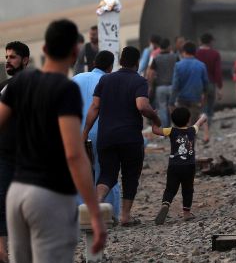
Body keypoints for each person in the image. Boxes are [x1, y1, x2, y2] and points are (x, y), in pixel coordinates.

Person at [0, 20, 106, 263]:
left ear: (44, 49)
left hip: (16, 193)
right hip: (50, 196)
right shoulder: (64, 89)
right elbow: (73, 153)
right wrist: (94, 213)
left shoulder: (18, 83)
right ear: (76, 52)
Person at [82, 46, 161, 226]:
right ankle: (125, 216)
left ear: (120, 61)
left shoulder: (105, 80)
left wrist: (85, 132)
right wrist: (155, 117)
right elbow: (142, 106)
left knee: (107, 175)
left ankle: (95, 208)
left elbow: (94, 107)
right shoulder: (139, 81)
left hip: (106, 137)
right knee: (130, 175)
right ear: (137, 62)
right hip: (130, 138)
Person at [72, 51, 121, 221]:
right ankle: (110, 214)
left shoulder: (77, 78)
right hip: (102, 131)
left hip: (77, 132)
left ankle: (82, 215)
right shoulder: (109, 81)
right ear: (110, 66)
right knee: (107, 172)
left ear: (93, 62)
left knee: (80, 172)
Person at [0, 41, 30, 263]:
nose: (8, 61)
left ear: (25, 60)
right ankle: (2, 254)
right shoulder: (2, 87)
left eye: (13, 57)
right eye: (7, 57)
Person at [152, 108, 207, 225]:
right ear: (188, 120)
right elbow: (200, 122)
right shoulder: (192, 130)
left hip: (174, 165)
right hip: (189, 166)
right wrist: (203, 117)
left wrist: (154, 119)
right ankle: (186, 213)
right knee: (188, 189)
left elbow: (155, 130)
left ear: (173, 121)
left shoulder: (171, 131)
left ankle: (166, 203)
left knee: (170, 188)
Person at [172, 41, 209, 138]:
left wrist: (171, 101)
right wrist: (204, 99)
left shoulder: (178, 65)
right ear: (195, 52)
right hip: (195, 101)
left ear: (183, 52)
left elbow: (175, 85)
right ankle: (190, 150)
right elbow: (206, 85)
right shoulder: (201, 65)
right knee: (192, 128)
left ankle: (181, 150)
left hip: (181, 100)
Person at [196, 33, 222, 142]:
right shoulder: (215, 54)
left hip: (198, 84)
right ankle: (208, 130)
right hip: (211, 84)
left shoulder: (196, 53)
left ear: (200, 41)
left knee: (201, 108)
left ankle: (203, 130)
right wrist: (219, 87)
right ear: (210, 41)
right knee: (210, 109)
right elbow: (217, 72)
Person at [147, 38, 178, 128]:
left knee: (162, 108)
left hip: (160, 87)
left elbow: (151, 73)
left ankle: (165, 129)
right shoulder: (175, 57)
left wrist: (151, 86)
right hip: (173, 86)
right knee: (174, 107)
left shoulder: (156, 58)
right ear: (169, 47)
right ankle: (177, 126)